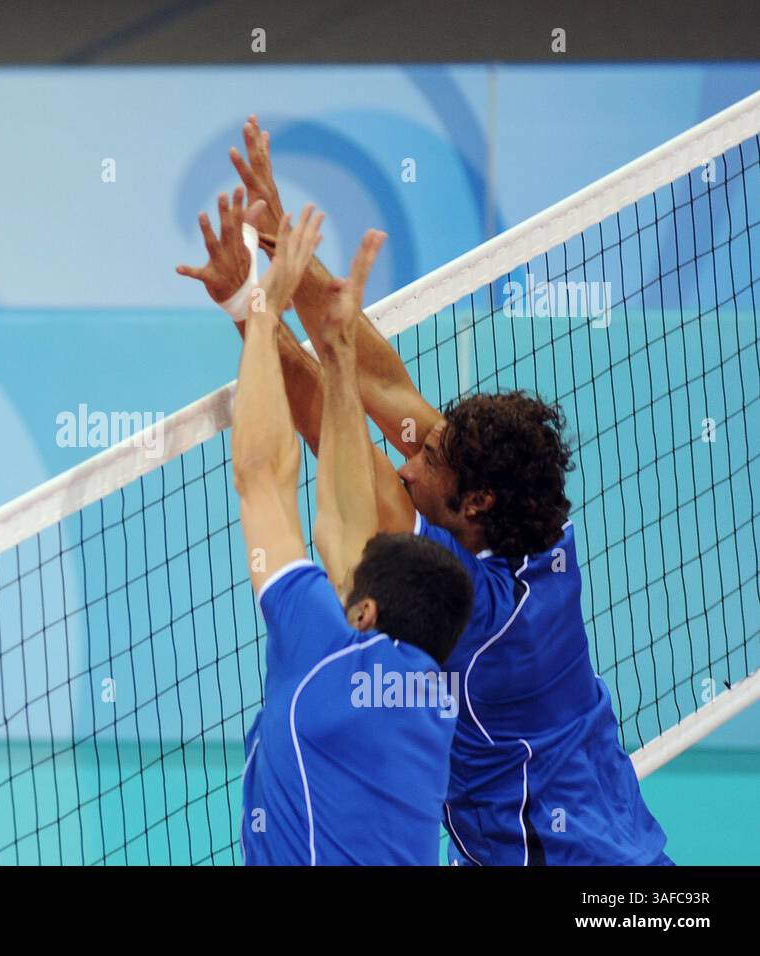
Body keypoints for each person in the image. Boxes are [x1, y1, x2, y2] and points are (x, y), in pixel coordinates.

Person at [196, 115, 669, 866]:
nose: (410, 457)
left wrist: (250, 307)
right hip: (629, 836)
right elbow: (378, 379)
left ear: (473, 503)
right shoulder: (536, 528)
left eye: (428, 462)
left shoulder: (470, 610)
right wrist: (284, 238)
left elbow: (323, 419)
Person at [221, 199, 474, 865]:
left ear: (362, 612)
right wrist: (334, 361)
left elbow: (262, 477)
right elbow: (343, 528)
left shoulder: (324, 657)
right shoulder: (429, 701)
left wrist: (262, 314)